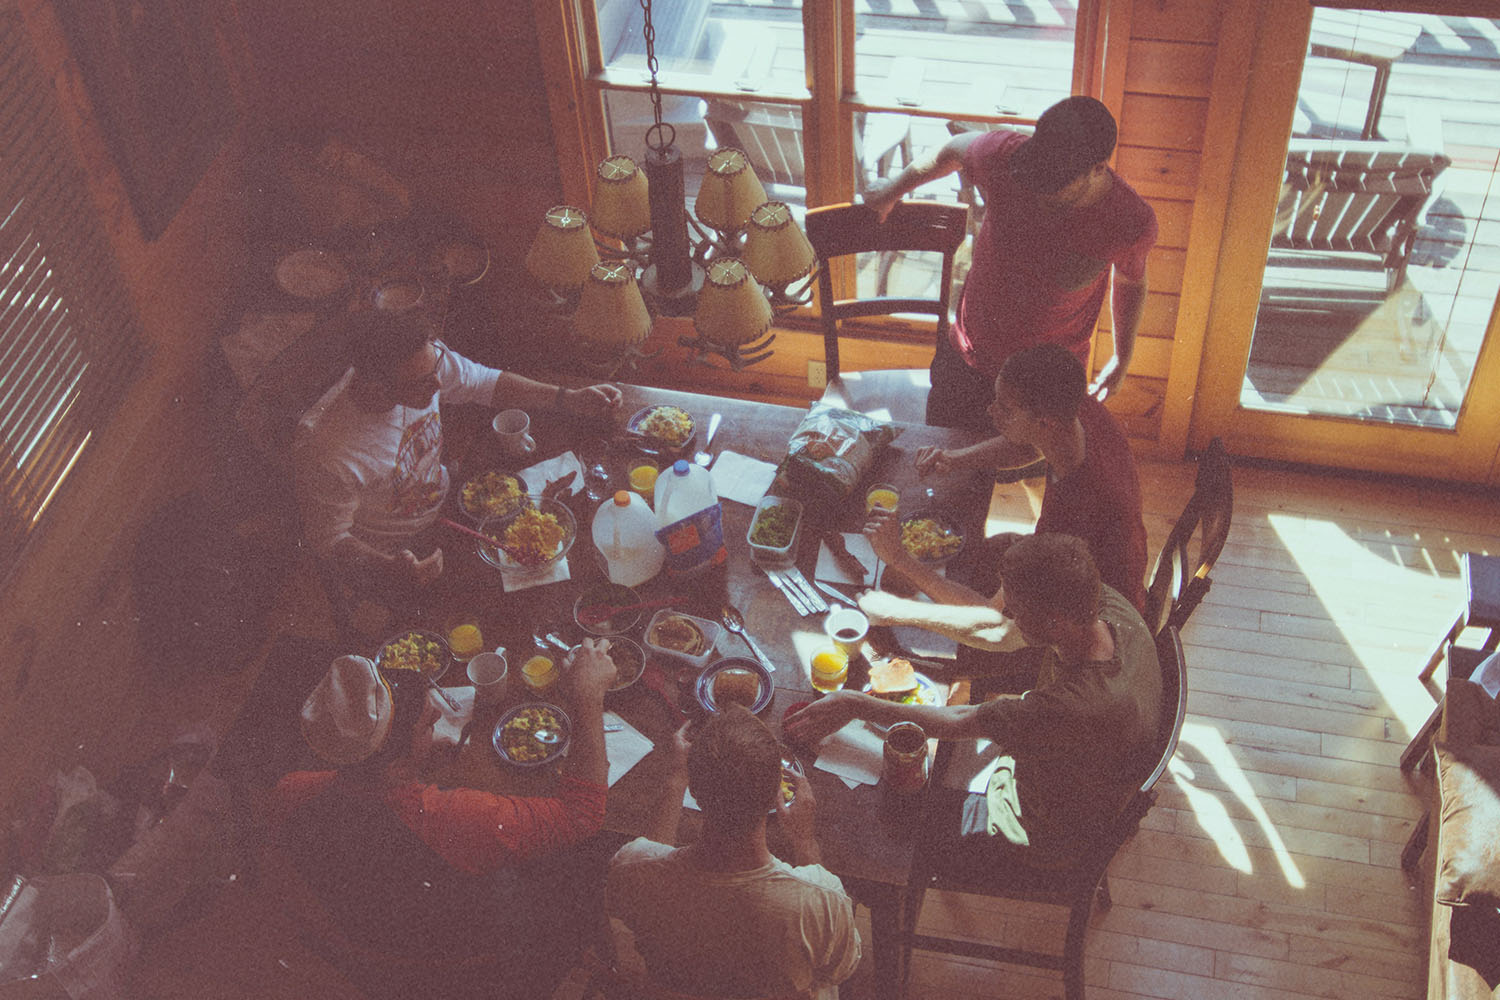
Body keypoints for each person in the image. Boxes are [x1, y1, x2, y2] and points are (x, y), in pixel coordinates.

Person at [268, 639, 619, 1000]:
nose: (436, 716)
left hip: (389, 958)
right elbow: (583, 815)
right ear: (394, 764)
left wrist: (410, 768)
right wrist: (588, 698)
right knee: (591, 856)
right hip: (489, 964)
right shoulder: (456, 820)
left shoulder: (289, 792)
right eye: (424, 723)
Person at [786, 534, 1161, 870]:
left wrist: (856, 704)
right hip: (1085, 775)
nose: (1006, 616)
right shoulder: (1101, 602)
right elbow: (999, 634)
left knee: (888, 835)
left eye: (1015, 610)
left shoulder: (1074, 705)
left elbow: (963, 720)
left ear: (1054, 623)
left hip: (1047, 827)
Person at [862, 95, 1156, 429]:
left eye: (1054, 190)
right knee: (946, 461)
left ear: (1098, 169)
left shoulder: (1129, 222)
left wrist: (1121, 358)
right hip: (968, 357)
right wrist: (891, 191)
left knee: (1033, 472)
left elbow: (1131, 282)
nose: (1040, 197)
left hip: (1047, 382)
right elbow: (953, 149)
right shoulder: (1004, 156)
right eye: (1034, 181)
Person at [294, 308, 622, 588]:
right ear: (374, 386)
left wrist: (567, 398)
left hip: (452, 499)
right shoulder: (327, 451)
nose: (438, 385)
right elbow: (329, 538)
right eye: (424, 382)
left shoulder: (423, 363)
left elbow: (482, 382)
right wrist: (389, 566)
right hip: (402, 548)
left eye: (436, 370)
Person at [878, 342, 1148, 625]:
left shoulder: (1075, 514)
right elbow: (1028, 445)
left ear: (1046, 423)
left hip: (1096, 619)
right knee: (980, 552)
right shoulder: (1078, 412)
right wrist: (953, 459)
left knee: (914, 610)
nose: (991, 410)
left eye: (1005, 408)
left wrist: (899, 558)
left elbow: (990, 614)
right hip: (1093, 568)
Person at [606, 706, 862, 999]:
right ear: (776, 794)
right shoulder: (819, 899)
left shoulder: (631, 866)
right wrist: (805, 843)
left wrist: (677, 780)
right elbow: (841, 969)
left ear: (697, 793)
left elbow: (649, 861)